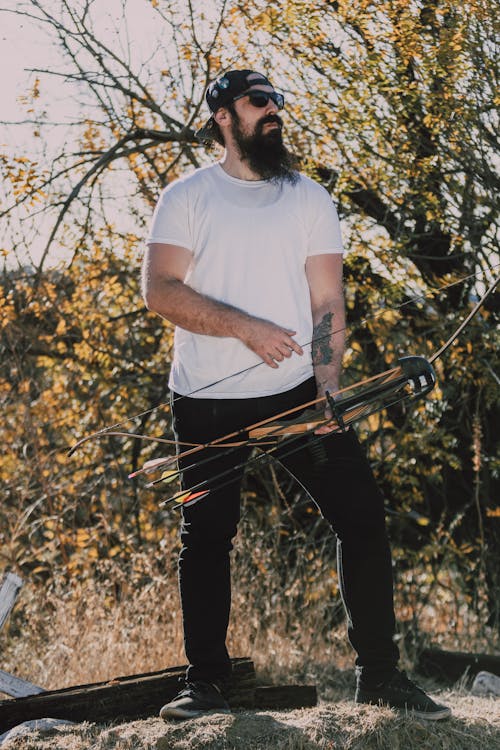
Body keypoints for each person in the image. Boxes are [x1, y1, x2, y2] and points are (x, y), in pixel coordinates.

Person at [142, 69, 451, 721]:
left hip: (298, 398)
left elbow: (327, 300)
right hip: (205, 402)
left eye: (277, 100)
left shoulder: (308, 198)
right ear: (225, 116)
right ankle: (205, 684)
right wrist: (246, 328)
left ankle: (381, 676)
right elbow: (162, 291)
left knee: (362, 519)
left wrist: (330, 385)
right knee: (206, 534)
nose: (273, 110)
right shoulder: (187, 196)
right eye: (259, 101)